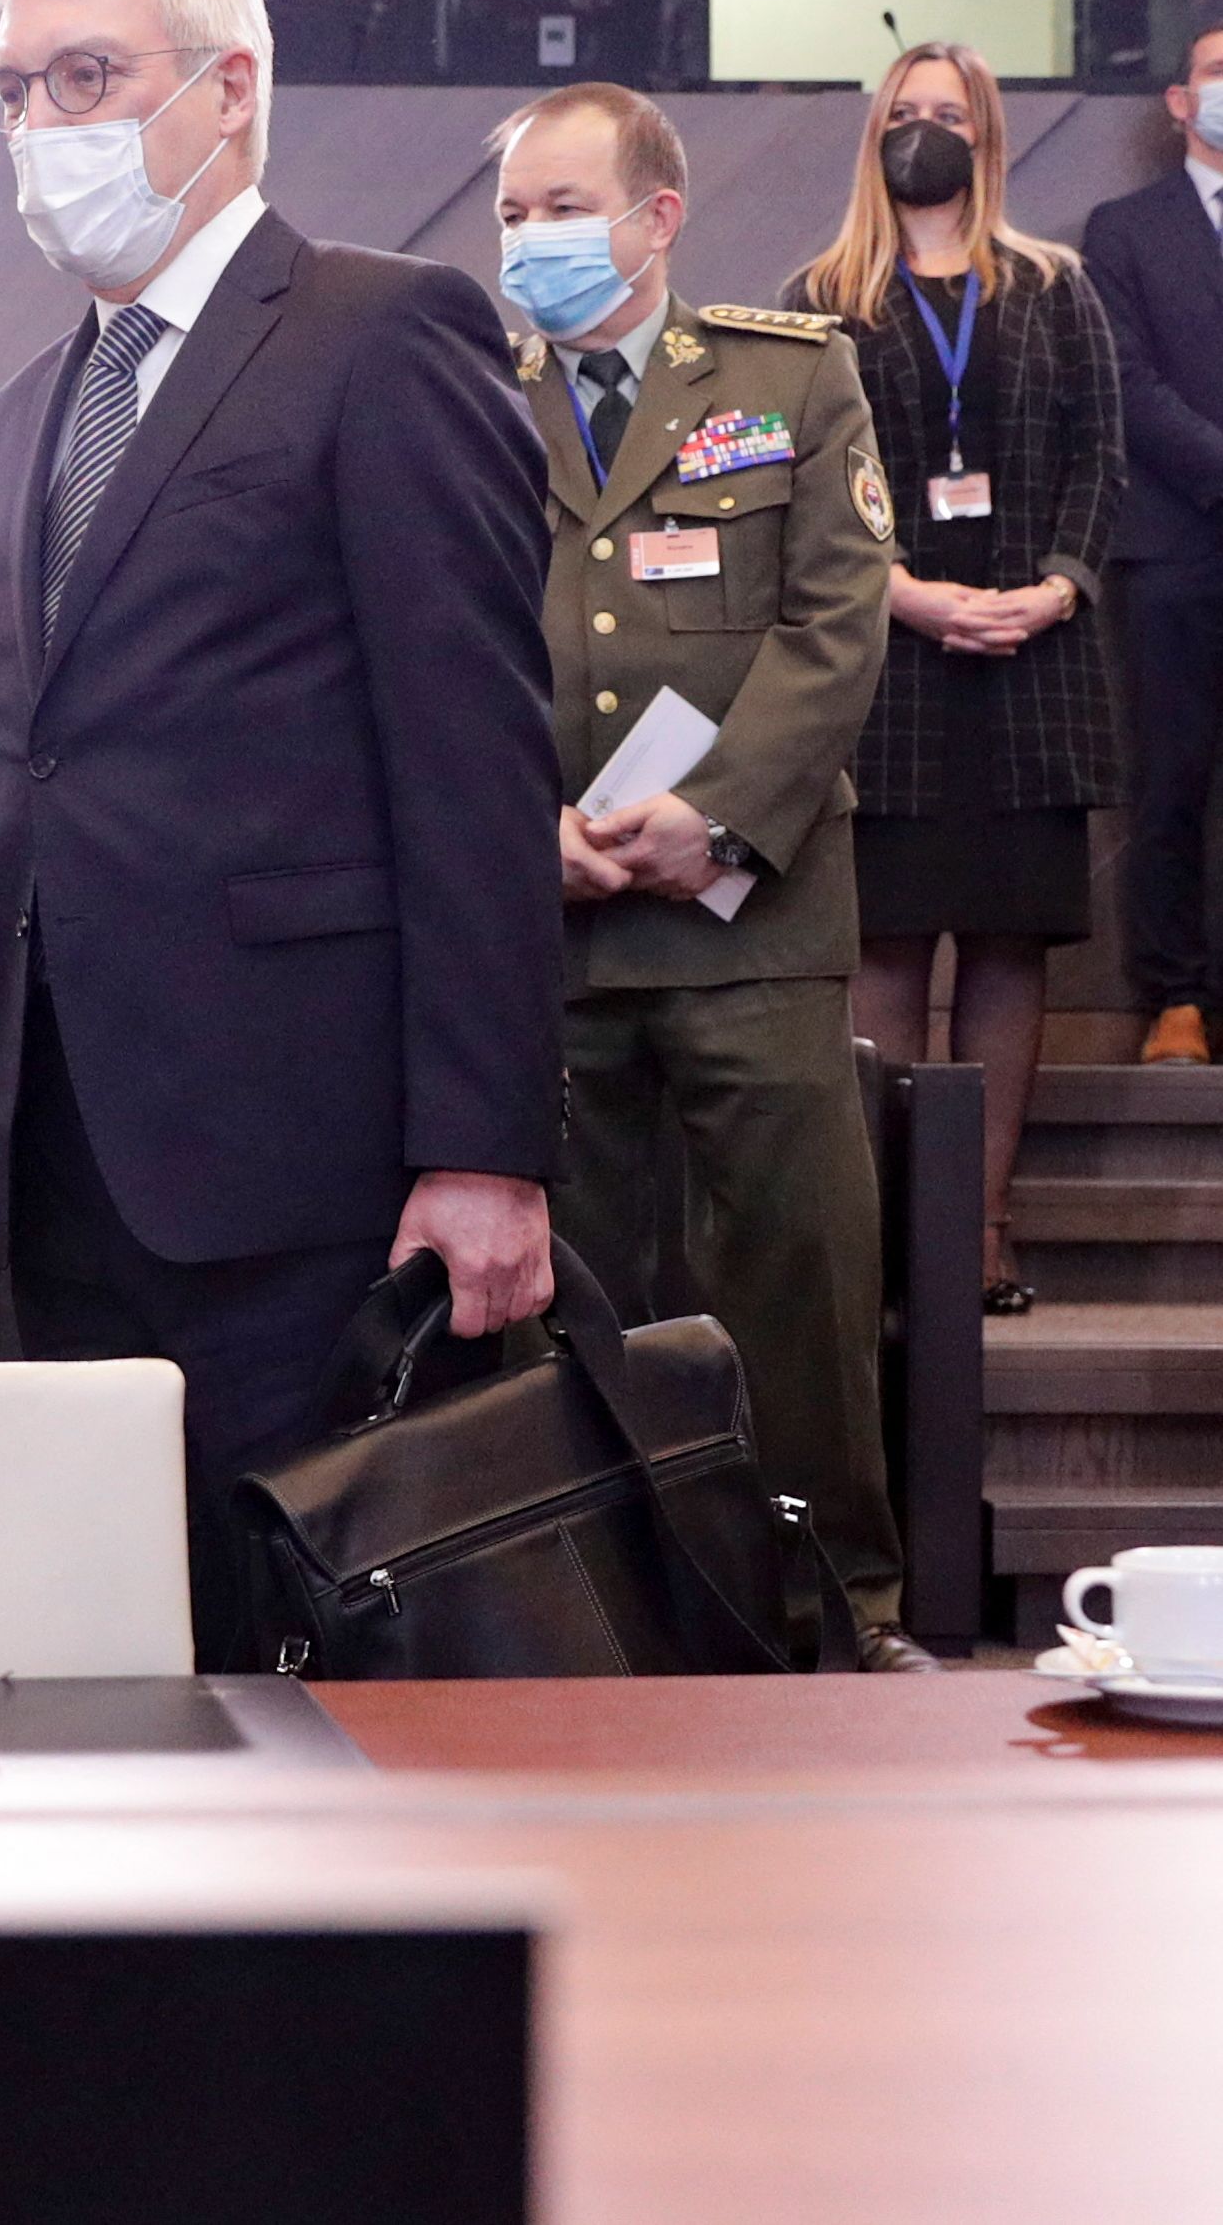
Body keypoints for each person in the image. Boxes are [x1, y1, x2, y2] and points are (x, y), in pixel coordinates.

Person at [0, 0, 562, 1672]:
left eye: (87, 77)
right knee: (96, 1658)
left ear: (230, 87)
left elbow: (475, 772)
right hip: (49, 1164)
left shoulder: (381, 333)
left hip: (297, 1162)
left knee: (308, 1673)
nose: (42, 124)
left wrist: (483, 1149)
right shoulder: (19, 412)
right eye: (15, 89)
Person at [493, 83, 930, 1671]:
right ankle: (602, 1630)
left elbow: (838, 620)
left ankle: (839, 1617)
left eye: (562, 208)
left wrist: (722, 814)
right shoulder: (470, 395)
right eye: (513, 215)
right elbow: (430, 640)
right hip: (545, 927)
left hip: (750, 922)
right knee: (571, 1307)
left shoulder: (786, 377)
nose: (529, 241)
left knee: (799, 1284)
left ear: (656, 217)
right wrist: (515, 828)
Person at [785, 41, 1122, 1315]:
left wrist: (1059, 585)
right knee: (882, 944)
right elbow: (797, 483)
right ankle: (885, 1235)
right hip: (885, 661)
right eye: (905, 111)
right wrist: (901, 593)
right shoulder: (818, 295)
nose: (925, 130)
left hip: (1033, 660)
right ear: (873, 131)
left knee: (1006, 945)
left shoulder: (1052, 286)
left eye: (950, 113)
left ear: (986, 136)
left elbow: (1100, 457)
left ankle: (979, 1230)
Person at [1083, 20, 1223, 1072]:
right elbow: (1126, 384)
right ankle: (1176, 997)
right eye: (1217, 73)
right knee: (1169, 782)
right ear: (1179, 101)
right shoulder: (1123, 229)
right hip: (1173, 543)